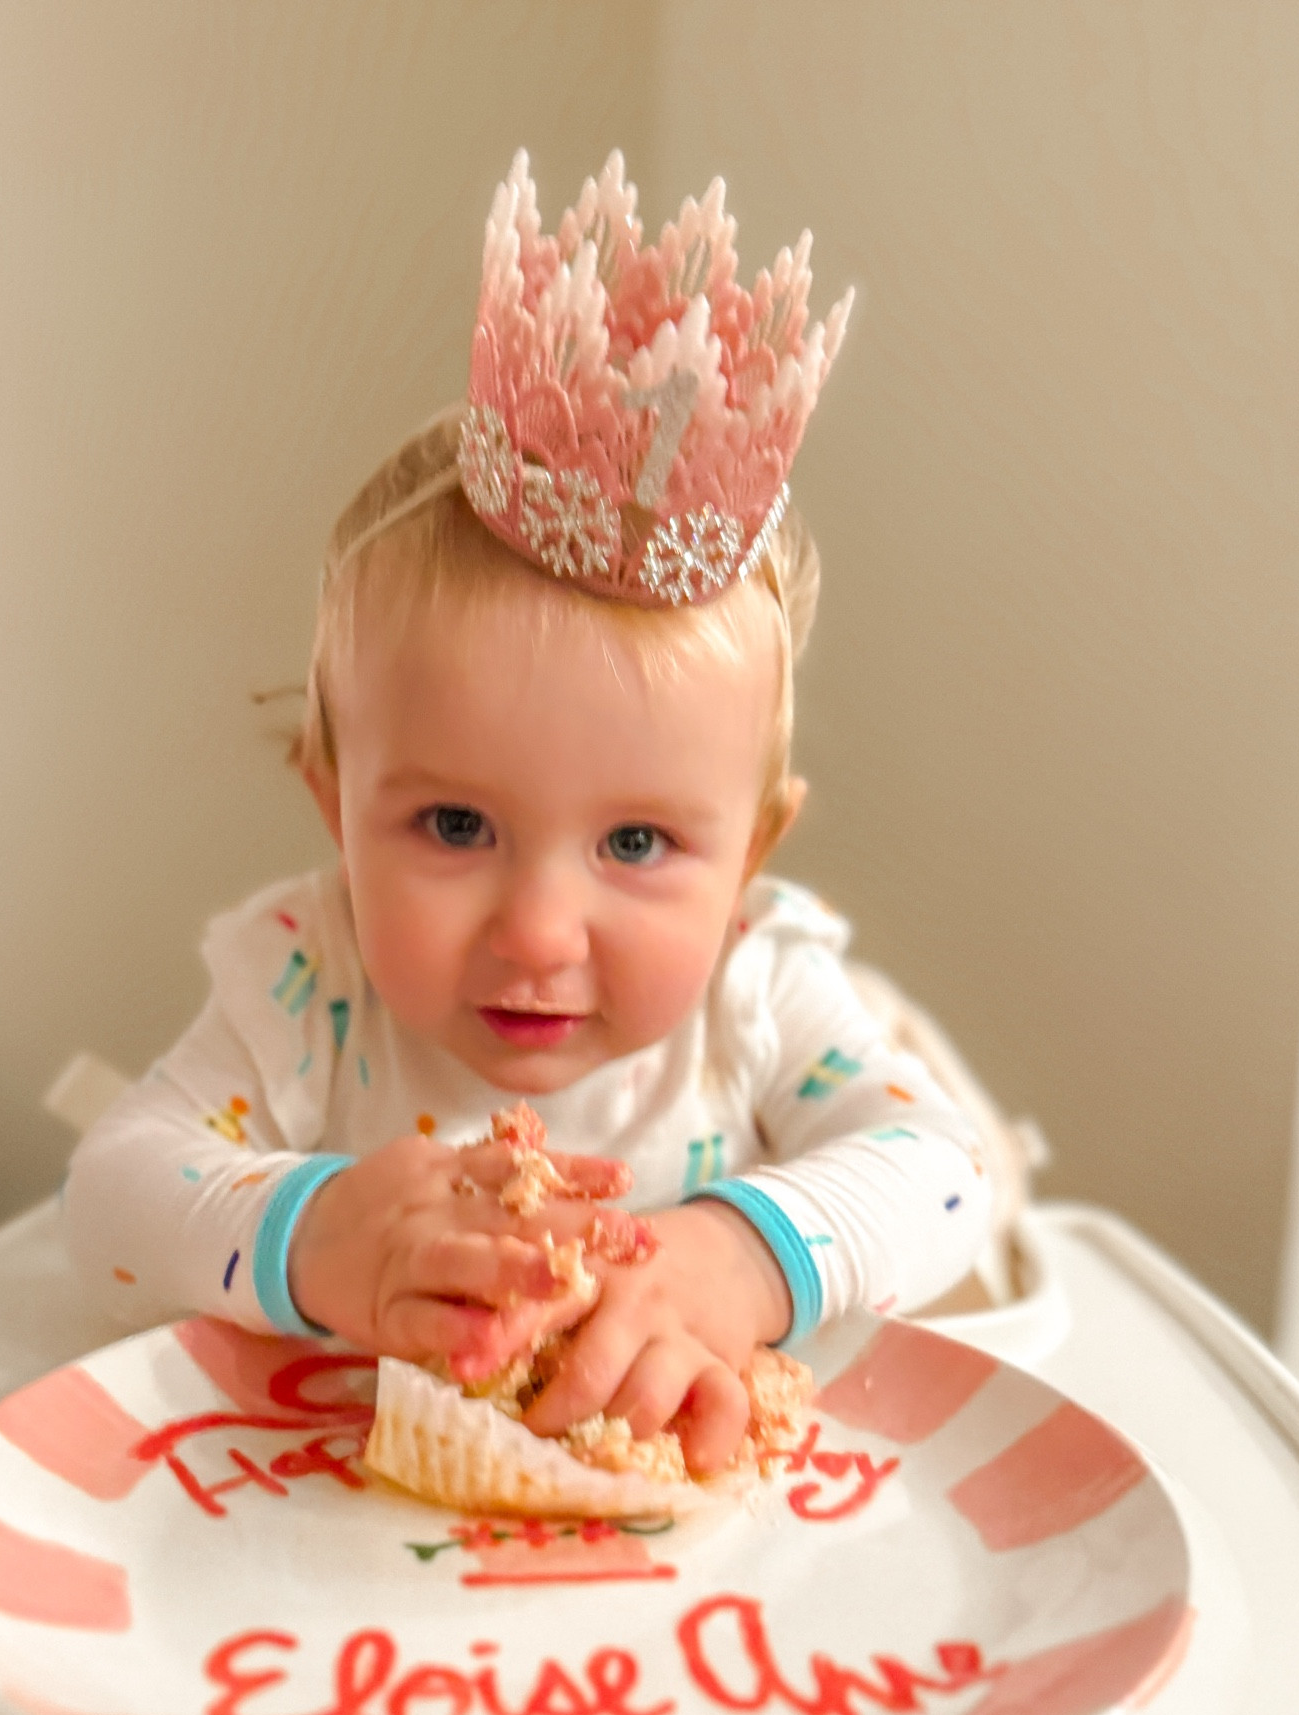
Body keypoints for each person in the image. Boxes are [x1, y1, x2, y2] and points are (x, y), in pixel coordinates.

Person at [64, 149, 994, 1480]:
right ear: (334, 804)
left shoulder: (757, 994)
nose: (541, 932)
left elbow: (944, 1172)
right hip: (342, 1570)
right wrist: (321, 1235)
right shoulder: (308, 982)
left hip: (707, 1591)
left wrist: (740, 1259)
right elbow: (106, 1194)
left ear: (752, 860)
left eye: (636, 845)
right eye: (453, 828)